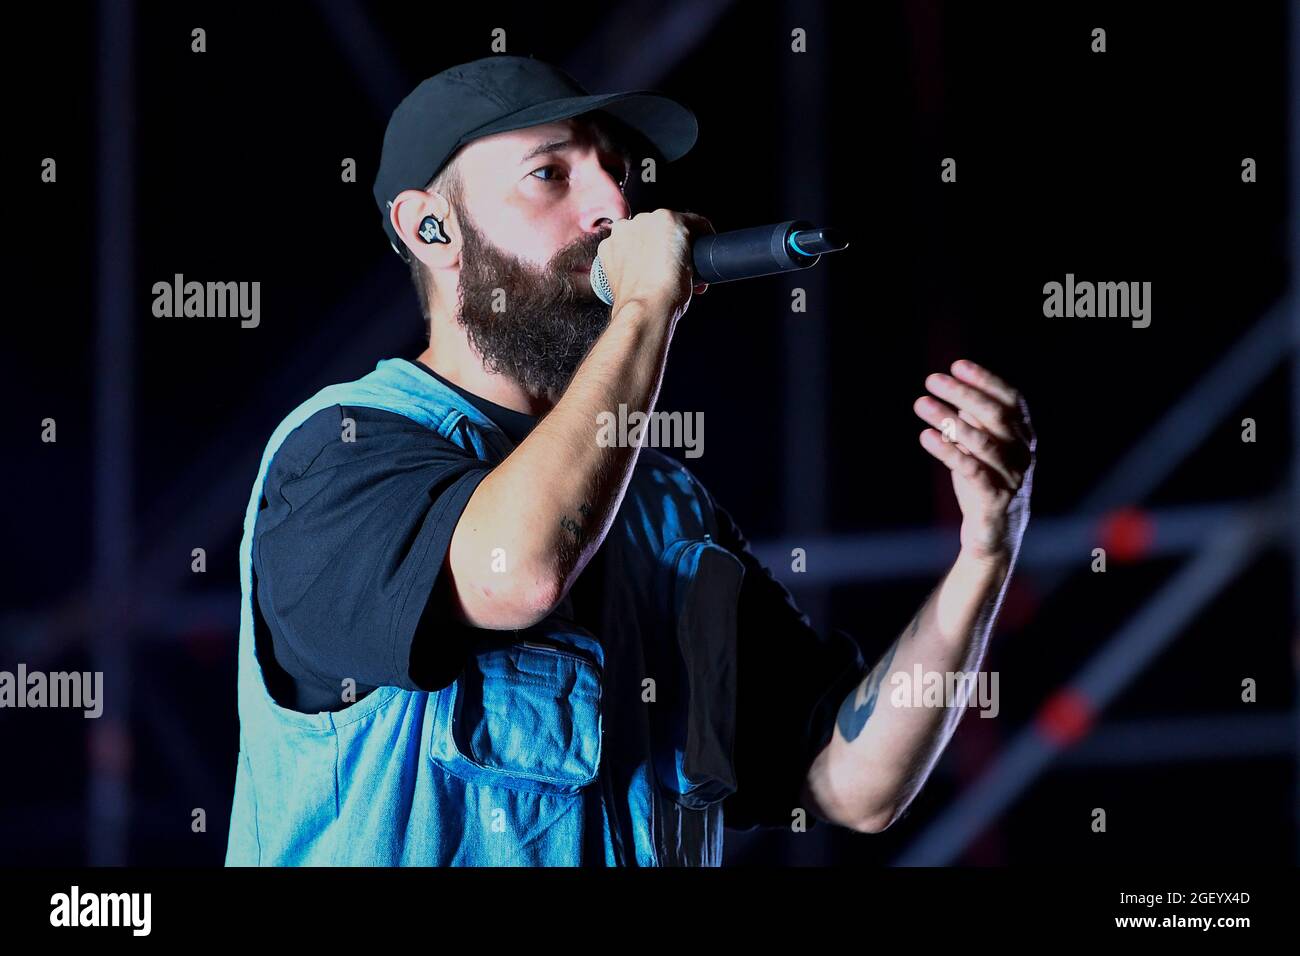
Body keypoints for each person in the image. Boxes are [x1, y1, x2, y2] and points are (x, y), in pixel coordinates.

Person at [224, 55, 1037, 866]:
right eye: (551, 173)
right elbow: (517, 572)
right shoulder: (341, 452)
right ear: (430, 227)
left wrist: (985, 554)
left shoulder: (667, 510)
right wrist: (649, 302)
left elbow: (853, 783)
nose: (614, 204)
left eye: (616, 173)